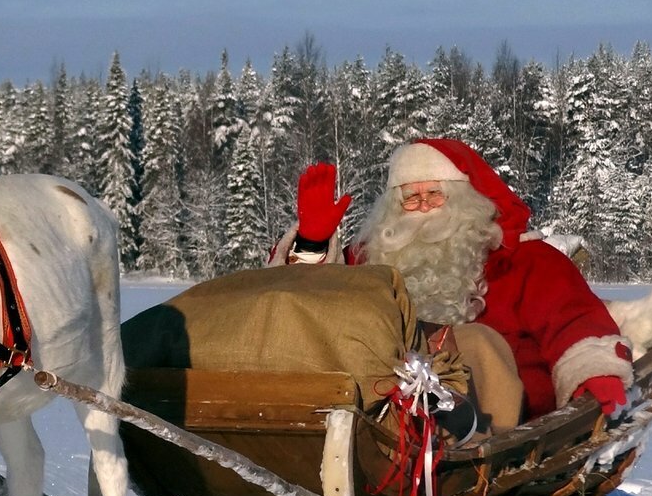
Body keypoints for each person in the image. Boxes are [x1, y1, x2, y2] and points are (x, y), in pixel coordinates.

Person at [269, 138, 632, 423]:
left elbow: (573, 318)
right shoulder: (369, 260)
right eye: (411, 198)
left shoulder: (525, 259)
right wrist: (313, 244)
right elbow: (307, 312)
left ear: (465, 200)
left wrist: (593, 374)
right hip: (377, 421)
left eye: (435, 194)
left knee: (479, 344)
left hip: (500, 425)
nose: (424, 207)